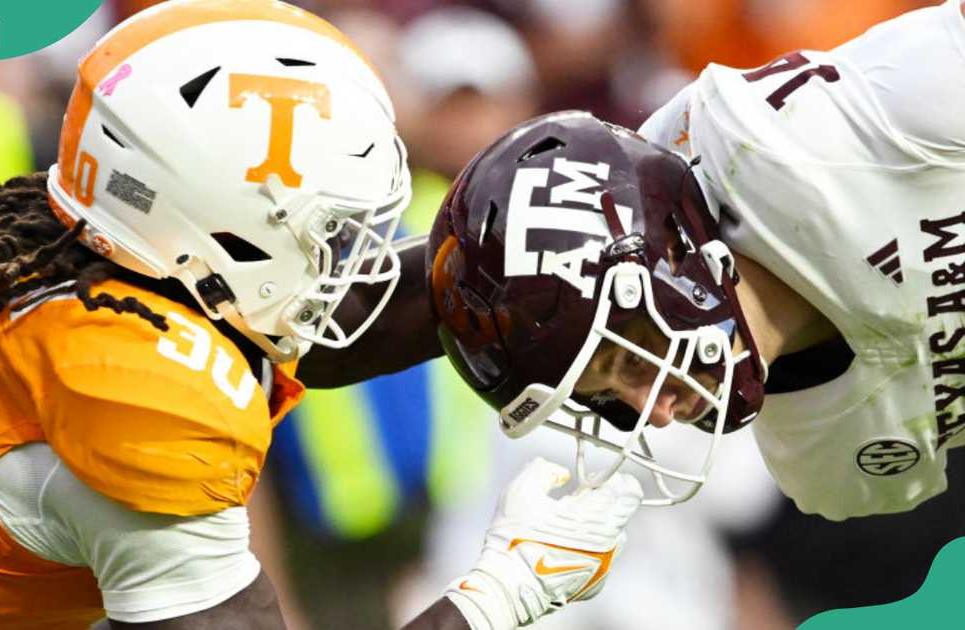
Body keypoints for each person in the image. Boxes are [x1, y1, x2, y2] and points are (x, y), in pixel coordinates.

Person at [0, 1, 644, 629]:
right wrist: (502, 594)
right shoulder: (136, 396)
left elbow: (348, 312)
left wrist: (520, 253)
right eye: (332, 231)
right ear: (222, 226)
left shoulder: (115, 262)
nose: (351, 258)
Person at [313, 0, 965, 524]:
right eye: (609, 399)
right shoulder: (831, 456)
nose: (652, 411)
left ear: (670, 256)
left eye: (626, 359)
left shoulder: (839, 134)